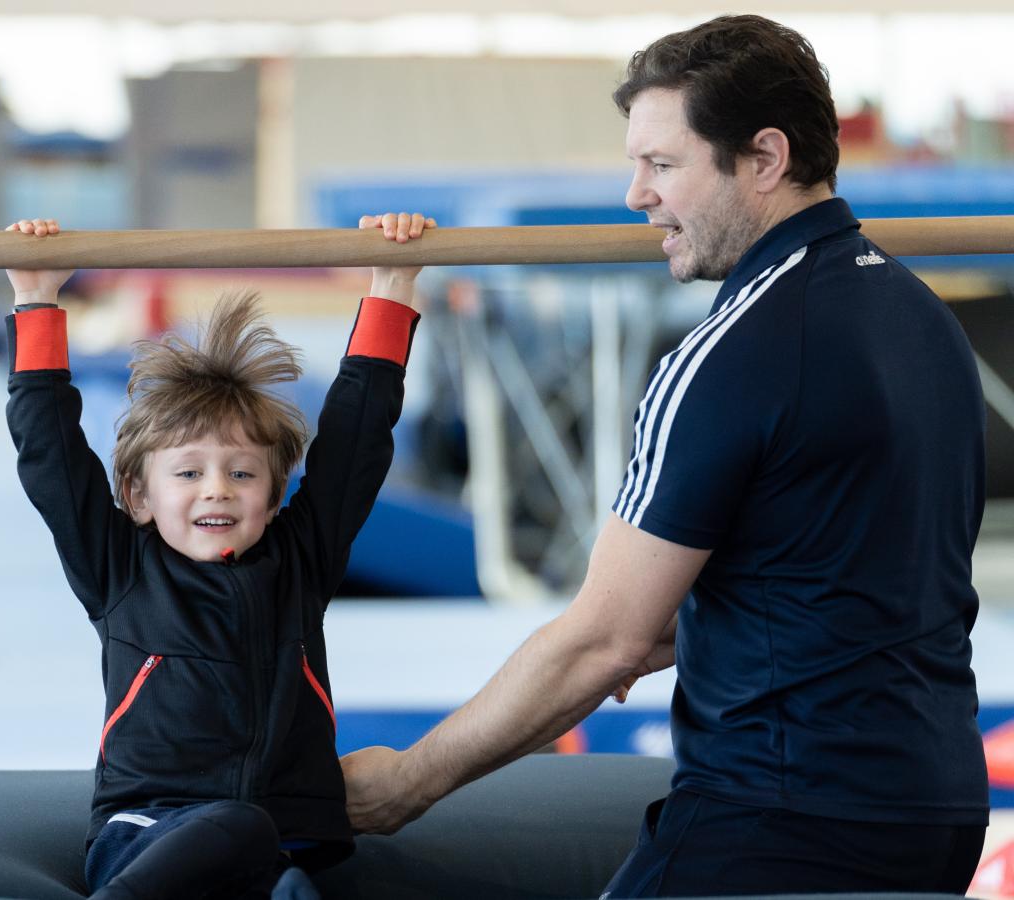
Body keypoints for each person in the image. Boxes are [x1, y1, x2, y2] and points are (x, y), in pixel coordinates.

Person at [340, 14, 989, 896]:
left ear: (764, 158)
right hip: (938, 807)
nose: (635, 195)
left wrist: (405, 782)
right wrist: (688, 628)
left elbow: (603, 643)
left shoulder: (731, 354)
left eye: (663, 165)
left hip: (778, 820)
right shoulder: (927, 323)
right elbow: (841, 578)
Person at [3, 213, 433, 899]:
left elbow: (356, 440)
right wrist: (36, 297)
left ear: (272, 494)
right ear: (138, 495)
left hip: (277, 841)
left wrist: (394, 280)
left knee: (282, 874)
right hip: (145, 833)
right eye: (189, 473)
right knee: (243, 831)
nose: (217, 491)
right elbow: (49, 453)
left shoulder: (300, 560)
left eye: (241, 473)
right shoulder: (120, 567)